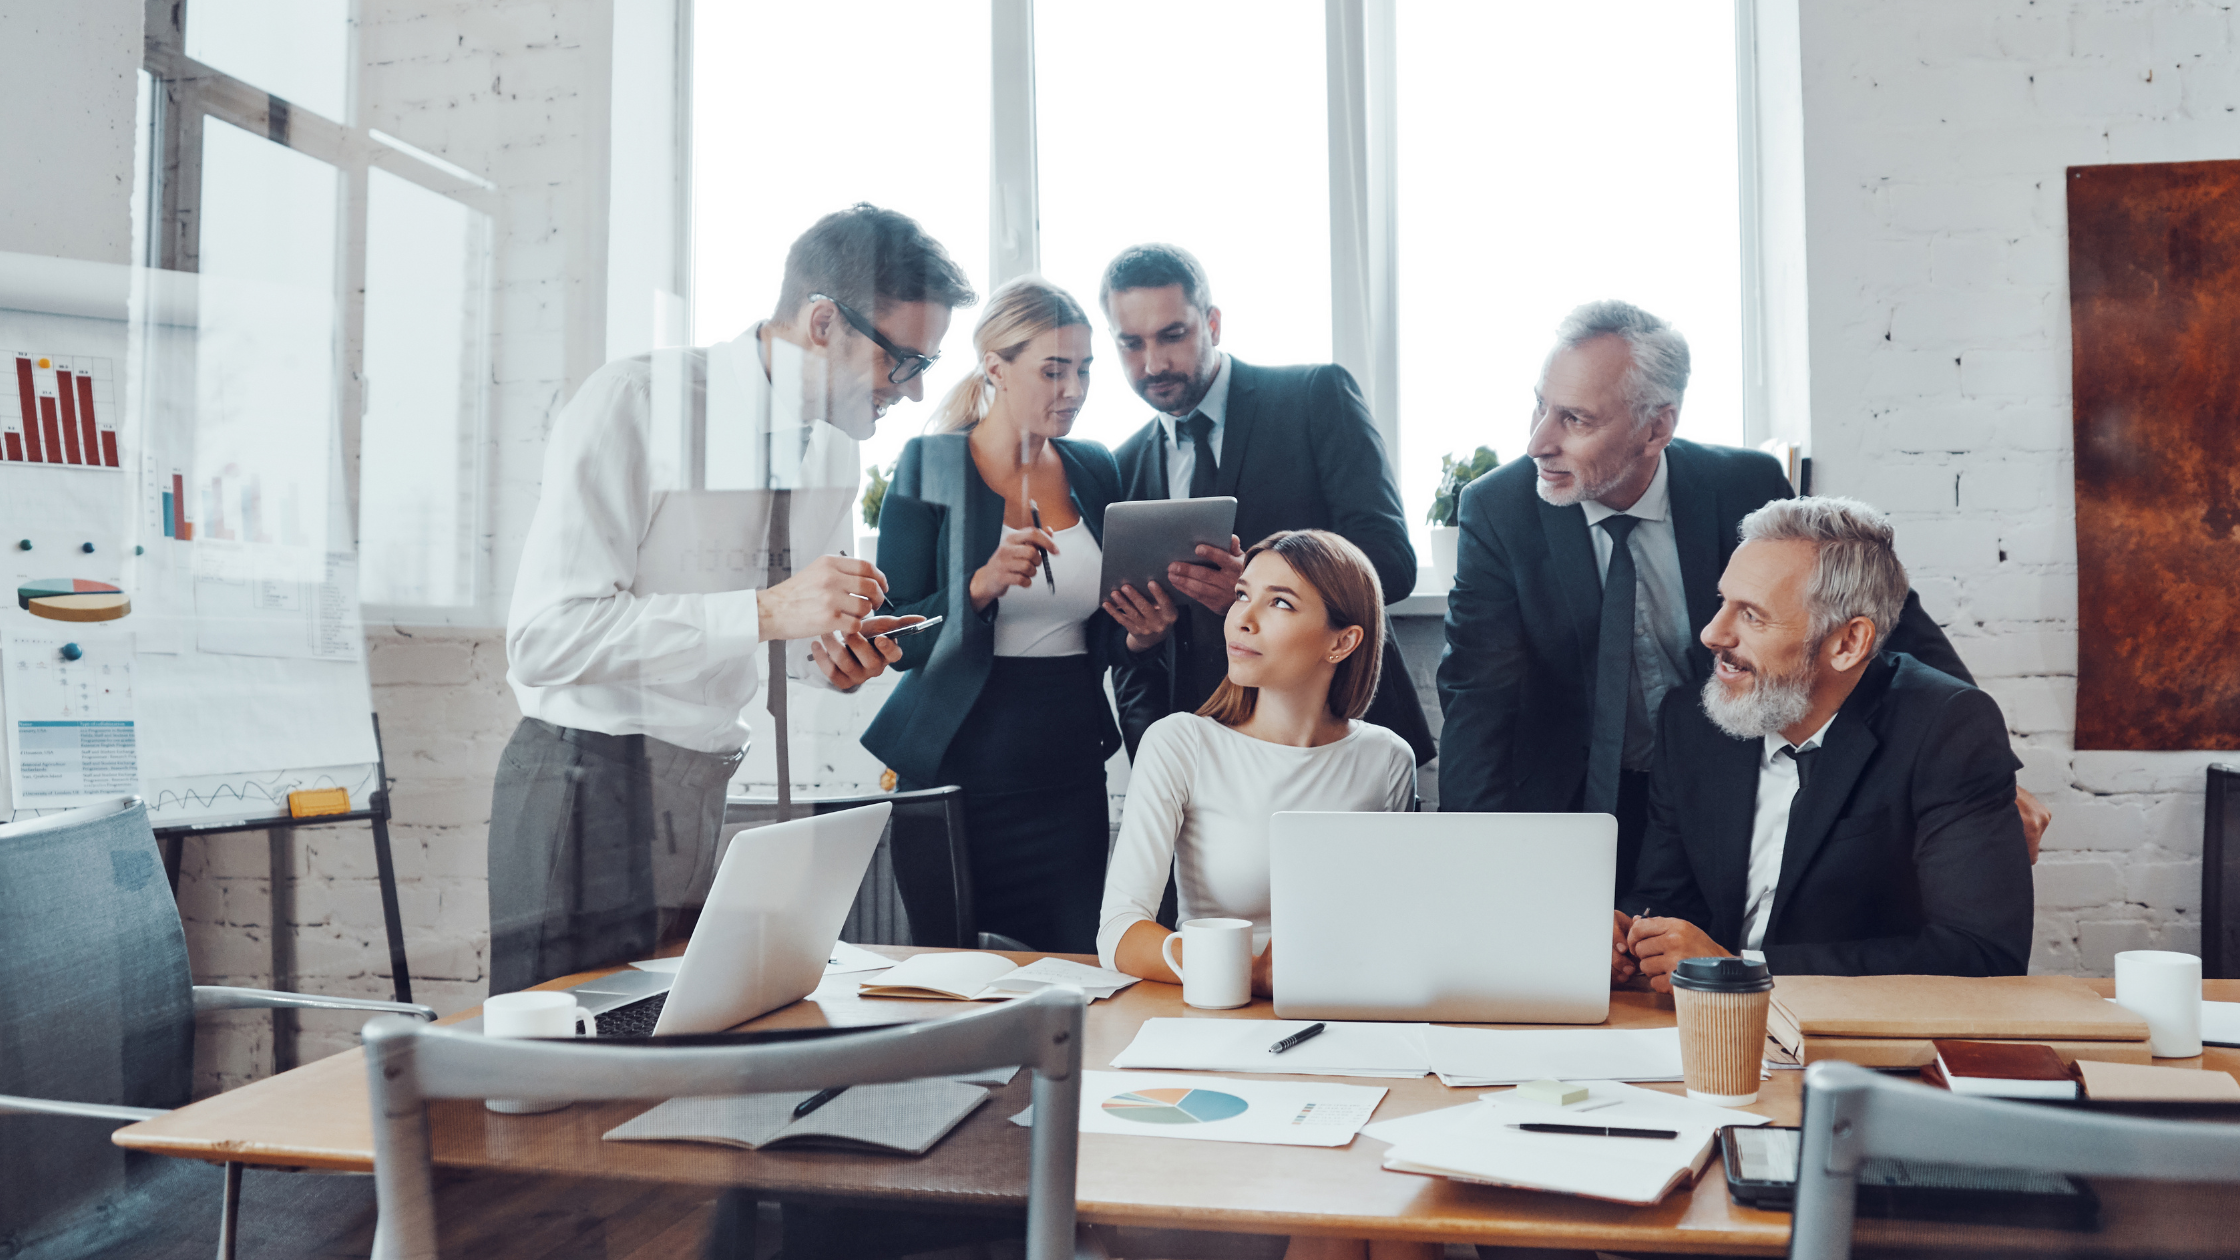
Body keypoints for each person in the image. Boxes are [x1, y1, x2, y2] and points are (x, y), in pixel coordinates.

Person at [488, 204, 974, 993]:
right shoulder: (636, 404)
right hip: (583, 782)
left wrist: (834, 656)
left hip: (703, 782)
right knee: (550, 1088)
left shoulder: (833, 455)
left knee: (667, 1059)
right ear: (824, 322)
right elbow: (545, 637)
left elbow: (787, 636)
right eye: (904, 362)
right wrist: (763, 612)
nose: (915, 395)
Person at [1436, 299, 2048, 901]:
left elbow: (1884, 614)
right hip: (1572, 799)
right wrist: (1470, 855)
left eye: (1575, 419)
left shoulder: (1744, 485)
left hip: (1724, 784)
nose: (1538, 440)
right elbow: (1478, 697)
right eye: (1540, 405)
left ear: (1656, 427)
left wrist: (1988, 770)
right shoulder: (1500, 508)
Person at [860, 277, 1178, 952]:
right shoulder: (931, 463)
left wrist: (1141, 636)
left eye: (1085, 370)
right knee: (948, 986)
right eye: (1053, 371)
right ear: (996, 367)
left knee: (1075, 976)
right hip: (953, 773)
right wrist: (977, 586)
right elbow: (892, 636)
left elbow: (1098, 635)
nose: (1074, 389)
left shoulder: (1094, 468)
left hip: (1067, 775)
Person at [1616, 497, 2033, 987]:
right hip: (1704, 1026)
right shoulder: (1692, 721)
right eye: (1722, 602)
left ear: (1848, 643)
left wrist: (1741, 969)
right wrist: (1627, 935)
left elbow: (1982, 954)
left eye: (1752, 616)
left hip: (1858, 1047)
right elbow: (1665, 897)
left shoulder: (1948, 728)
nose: (1712, 633)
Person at [1101, 244, 1434, 767]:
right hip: (1208, 760)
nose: (1154, 363)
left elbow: (1391, 562)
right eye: (1131, 344)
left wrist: (1258, 588)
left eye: (1173, 335)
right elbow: (1129, 652)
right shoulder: (1119, 469)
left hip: (1342, 737)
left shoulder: (1314, 397)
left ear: (1212, 323)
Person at [1100, 529, 1416, 988]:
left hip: (1347, 1008)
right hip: (1217, 1008)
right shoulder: (1180, 743)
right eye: (1242, 594)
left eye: (1280, 603)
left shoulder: (1387, 760)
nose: (1241, 619)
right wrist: (1252, 975)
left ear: (1342, 643)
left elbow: (1396, 923)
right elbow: (1119, 935)